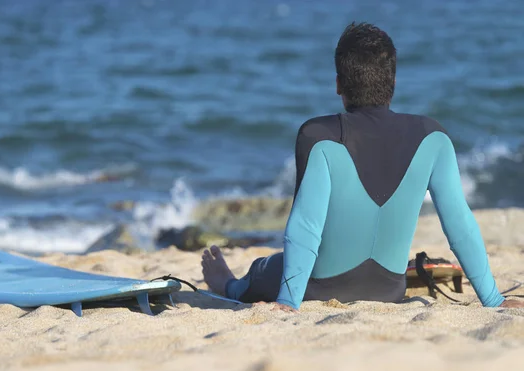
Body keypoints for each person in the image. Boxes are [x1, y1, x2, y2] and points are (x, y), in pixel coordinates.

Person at [201, 22, 523, 311]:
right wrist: (493, 299)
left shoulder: (318, 136)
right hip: (391, 291)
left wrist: (288, 304)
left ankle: (227, 283)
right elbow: (459, 224)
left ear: (338, 84)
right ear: (393, 81)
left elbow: (305, 228)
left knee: (263, 268)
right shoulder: (433, 138)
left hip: (318, 289)